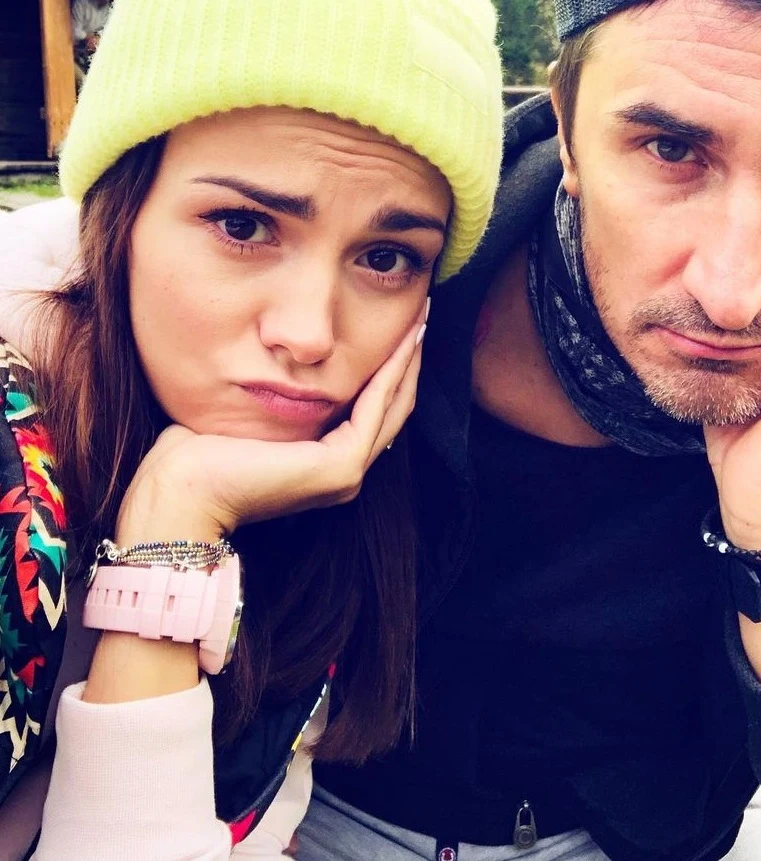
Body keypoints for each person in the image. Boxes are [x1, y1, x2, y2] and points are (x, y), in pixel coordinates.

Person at [3, 2, 761, 861]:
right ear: (566, 123)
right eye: (670, 148)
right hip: (295, 812)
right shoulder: (384, 252)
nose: (731, 291)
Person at [0, 0, 502, 858]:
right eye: (242, 226)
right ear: (118, 211)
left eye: (385, 258)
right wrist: (169, 554)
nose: (307, 333)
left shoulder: (348, 486)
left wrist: (178, 513)